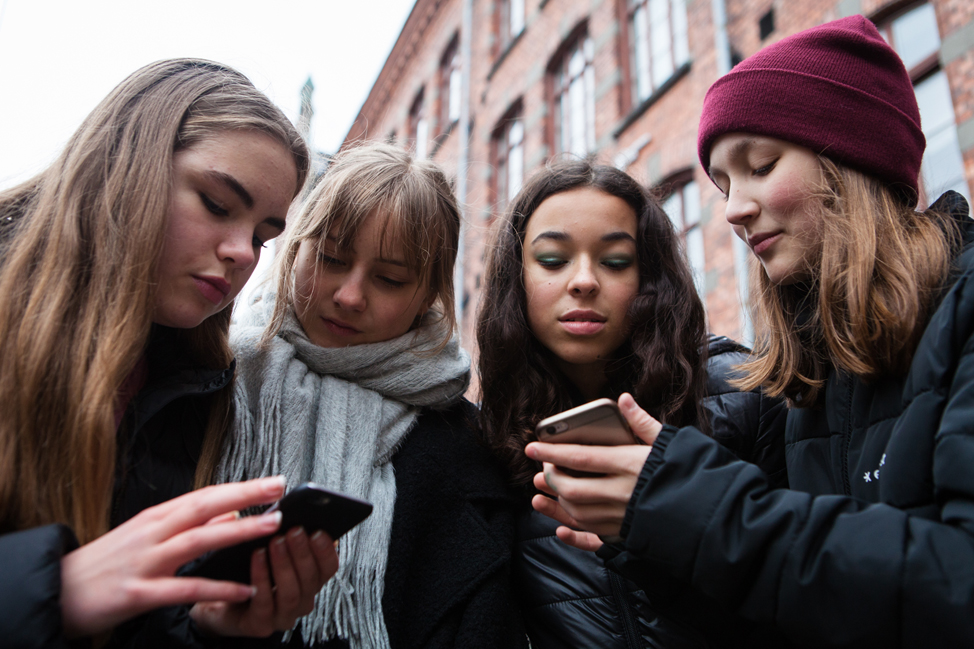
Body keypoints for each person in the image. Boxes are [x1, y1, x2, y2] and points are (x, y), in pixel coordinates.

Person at [527, 15, 974, 647]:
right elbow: (805, 608)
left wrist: (704, 508)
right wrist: (659, 539)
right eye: (724, 183)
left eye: (761, 166)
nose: (734, 209)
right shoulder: (810, 375)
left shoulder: (964, 308)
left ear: (850, 156)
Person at [0, 59, 339, 649]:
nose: (241, 252)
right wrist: (52, 591)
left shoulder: (200, 383)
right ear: (125, 161)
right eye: (215, 203)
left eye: (263, 236)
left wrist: (209, 626)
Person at [218, 142, 526, 649]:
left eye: (388, 279)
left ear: (428, 295)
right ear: (295, 246)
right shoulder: (216, 379)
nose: (349, 295)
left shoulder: (468, 449)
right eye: (332, 258)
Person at [476, 159, 787, 648]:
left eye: (615, 261)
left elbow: (804, 600)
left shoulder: (746, 394)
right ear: (517, 281)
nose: (583, 281)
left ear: (650, 276)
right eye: (553, 260)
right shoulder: (490, 440)